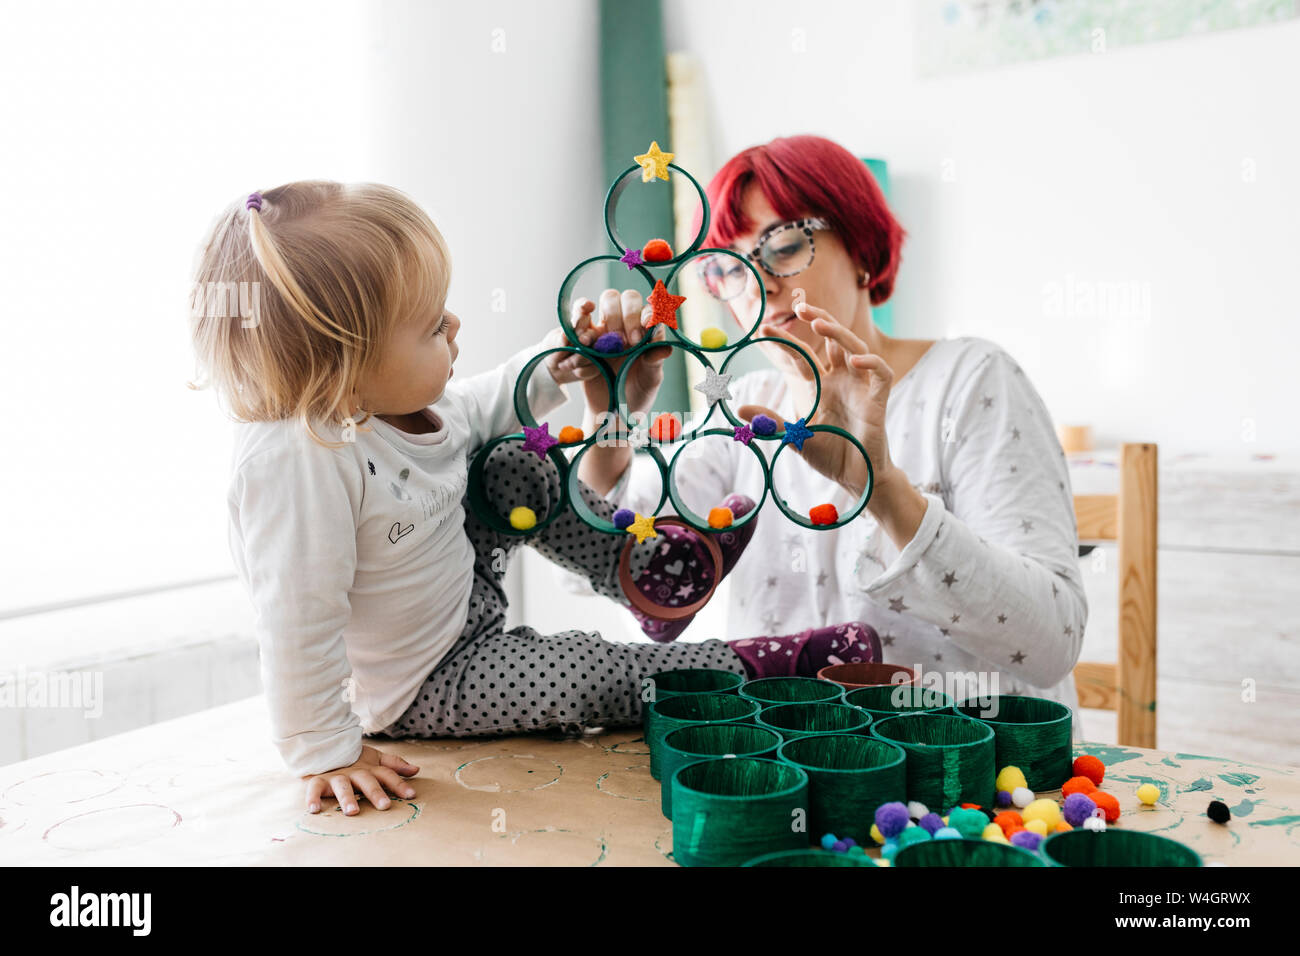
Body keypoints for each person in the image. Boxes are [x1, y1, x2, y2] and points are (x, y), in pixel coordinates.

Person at [189, 180, 872, 816]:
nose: (454, 326)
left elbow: (497, 399)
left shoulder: (407, 408)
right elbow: (295, 622)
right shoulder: (301, 461)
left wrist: (562, 355)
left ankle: (650, 573)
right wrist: (324, 753)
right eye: (431, 326)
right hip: (425, 684)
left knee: (516, 456)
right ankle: (743, 668)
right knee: (578, 674)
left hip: (465, 603)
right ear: (346, 363)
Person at [571, 135, 1089, 732]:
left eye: (785, 245)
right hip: (795, 776)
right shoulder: (741, 410)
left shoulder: (970, 382)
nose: (756, 284)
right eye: (726, 268)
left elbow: (1053, 640)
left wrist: (881, 487)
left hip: (971, 780)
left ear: (863, 247)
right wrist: (611, 417)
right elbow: (620, 572)